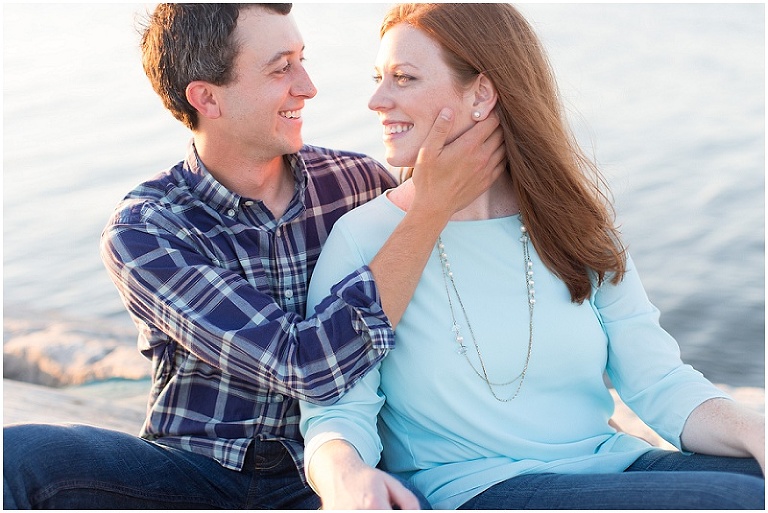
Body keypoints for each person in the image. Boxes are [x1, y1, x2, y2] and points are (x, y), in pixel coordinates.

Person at [2, 4, 505, 509]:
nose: (307, 86)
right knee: (18, 456)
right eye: (281, 67)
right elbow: (304, 365)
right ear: (206, 98)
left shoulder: (358, 183)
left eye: (302, 60)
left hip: (332, 472)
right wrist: (429, 208)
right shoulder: (147, 229)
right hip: (194, 474)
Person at [299, 3, 765, 510]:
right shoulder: (363, 238)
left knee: (752, 478)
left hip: (614, 464)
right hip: (476, 489)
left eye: (404, 78)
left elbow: (659, 382)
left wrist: (756, 432)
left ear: (481, 93)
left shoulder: (571, 222)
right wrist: (343, 474)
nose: (376, 99)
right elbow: (336, 411)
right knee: (734, 498)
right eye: (379, 78)